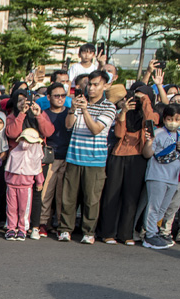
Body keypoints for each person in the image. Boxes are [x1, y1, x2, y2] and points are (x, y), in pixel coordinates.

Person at [57, 70, 116, 243]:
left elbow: (96, 129)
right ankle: (65, 229)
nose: (91, 88)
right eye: (89, 84)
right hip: (74, 156)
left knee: (92, 199)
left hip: (95, 159)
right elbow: (69, 126)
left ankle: (88, 232)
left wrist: (86, 110)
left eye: (96, 84)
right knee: (68, 197)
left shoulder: (109, 107)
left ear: (105, 86)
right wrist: (72, 110)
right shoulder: (79, 102)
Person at [96, 84, 158, 244]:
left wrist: (144, 100)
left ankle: (126, 234)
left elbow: (150, 122)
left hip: (138, 158)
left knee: (131, 198)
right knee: (111, 195)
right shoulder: (121, 114)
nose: (135, 101)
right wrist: (123, 111)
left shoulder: (148, 115)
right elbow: (119, 133)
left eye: (139, 98)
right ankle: (107, 232)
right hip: (118, 156)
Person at [141, 105, 180, 249]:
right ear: (164, 119)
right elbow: (147, 154)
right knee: (154, 206)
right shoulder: (157, 133)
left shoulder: (179, 134)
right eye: (169, 119)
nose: (173, 122)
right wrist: (150, 142)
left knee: (163, 208)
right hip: (157, 176)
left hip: (173, 177)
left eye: (176, 119)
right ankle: (149, 235)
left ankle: (153, 231)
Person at [38, 82, 71, 237]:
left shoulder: (71, 113)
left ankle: (60, 224)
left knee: (63, 194)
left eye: (63, 95)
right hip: (49, 157)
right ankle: (43, 222)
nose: (60, 99)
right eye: (56, 96)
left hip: (68, 157)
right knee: (46, 192)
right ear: (49, 97)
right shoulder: (43, 113)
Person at [3, 128, 45, 241]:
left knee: (24, 209)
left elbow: (38, 170)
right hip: (12, 185)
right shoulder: (15, 152)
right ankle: (11, 228)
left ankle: (22, 229)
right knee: (11, 208)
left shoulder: (35, 154)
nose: (26, 144)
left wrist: (39, 182)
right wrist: (7, 180)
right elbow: (7, 168)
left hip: (26, 187)